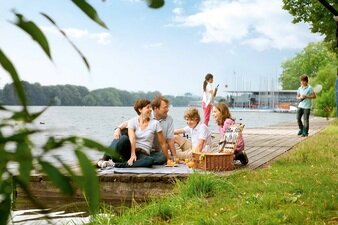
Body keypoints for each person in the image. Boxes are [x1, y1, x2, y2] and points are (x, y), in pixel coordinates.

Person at [97, 99, 169, 168]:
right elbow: (132, 138)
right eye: (148, 107)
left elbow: (163, 143)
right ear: (140, 110)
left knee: (151, 160)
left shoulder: (155, 123)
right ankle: (105, 157)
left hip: (143, 153)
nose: (150, 109)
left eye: (150, 107)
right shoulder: (133, 121)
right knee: (123, 138)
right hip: (131, 150)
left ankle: (116, 165)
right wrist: (132, 154)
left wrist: (168, 159)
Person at [112, 96, 177, 161]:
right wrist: (118, 128)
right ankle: (107, 157)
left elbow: (170, 140)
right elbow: (129, 123)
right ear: (156, 108)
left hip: (154, 151)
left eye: (167, 107)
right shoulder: (146, 115)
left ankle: (140, 160)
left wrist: (174, 156)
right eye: (165, 107)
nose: (168, 109)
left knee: (162, 158)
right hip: (139, 148)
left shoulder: (169, 119)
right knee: (124, 132)